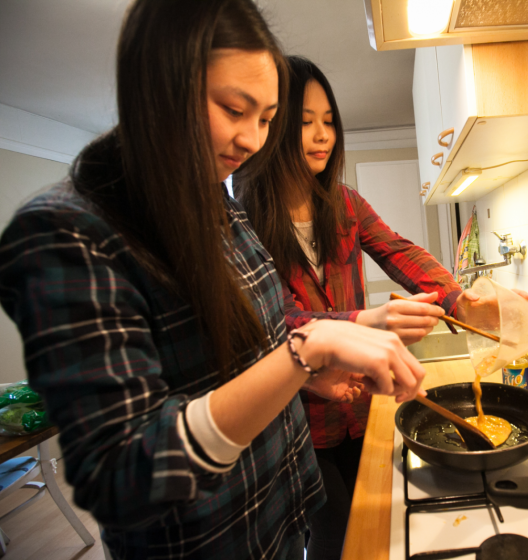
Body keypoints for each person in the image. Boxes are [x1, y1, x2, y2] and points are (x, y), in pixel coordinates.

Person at [0, 2, 425, 559]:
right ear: (159, 87)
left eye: (268, 118)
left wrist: (306, 371)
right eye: (233, 109)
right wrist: (303, 355)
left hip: (281, 510)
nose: (252, 139)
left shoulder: (216, 205)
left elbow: (261, 338)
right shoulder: (64, 233)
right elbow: (121, 474)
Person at [235, 56, 470, 560]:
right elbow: (272, 324)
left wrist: (459, 297)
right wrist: (363, 324)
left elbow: (401, 251)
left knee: (370, 514)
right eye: (304, 122)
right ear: (271, 128)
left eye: (328, 121)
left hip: (360, 405)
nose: (322, 135)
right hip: (295, 417)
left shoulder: (345, 204)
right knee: (332, 527)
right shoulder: (245, 221)